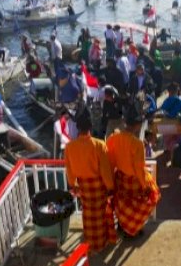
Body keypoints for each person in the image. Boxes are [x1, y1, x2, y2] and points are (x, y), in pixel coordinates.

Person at [64, 108, 117, 254]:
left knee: (87, 213)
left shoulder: (69, 147)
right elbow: (106, 170)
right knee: (100, 214)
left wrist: (72, 185)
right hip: (98, 186)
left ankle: (90, 241)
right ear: (91, 127)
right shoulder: (99, 144)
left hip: (83, 186)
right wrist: (110, 187)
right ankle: (100, 242)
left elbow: (69, 169)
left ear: (77, 128)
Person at [107, 103, 161, 238]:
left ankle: (122, 226)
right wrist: (145, 186)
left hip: (119, 177)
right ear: (137, 125)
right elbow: (139, 168)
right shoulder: (137, 144)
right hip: (134, 180)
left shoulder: (113, 138)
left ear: (125, 122)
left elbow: (110, 161)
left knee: (122, 205)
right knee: (145, 200)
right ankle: (133, 230)